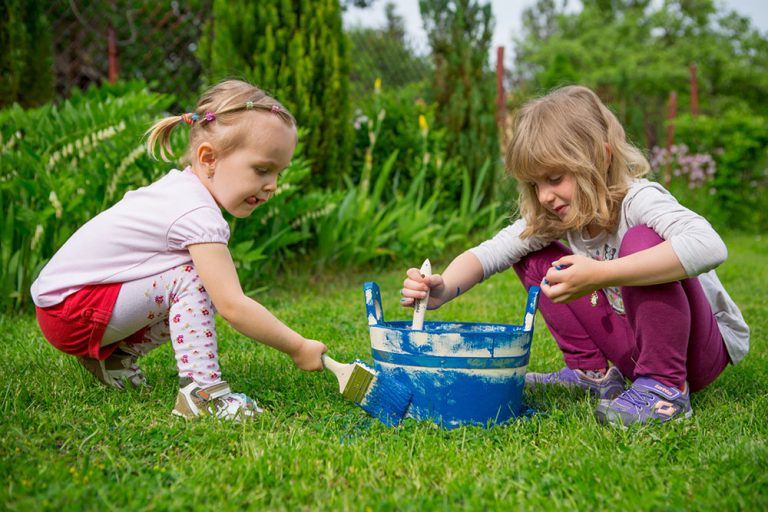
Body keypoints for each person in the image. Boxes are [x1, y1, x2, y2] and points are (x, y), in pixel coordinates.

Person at [400, 85, 749, 427]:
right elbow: (491, 252)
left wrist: (602, 274)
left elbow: (709, 245)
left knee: (643, 241)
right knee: (533, 257)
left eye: (554, 178)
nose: (546, 196)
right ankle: (592, 373)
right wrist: (443, 290)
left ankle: (665, 389)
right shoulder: (561, 216)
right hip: (635, 348)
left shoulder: (639, 201)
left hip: (697, 352)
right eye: (535, 185)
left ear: (602, 157)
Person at [31, 80, 327, 420]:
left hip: (64, 306)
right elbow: (233, 305)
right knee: (198, 279)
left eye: (278, 172)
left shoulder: (182, 191)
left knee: (199, 276)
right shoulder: (196, 213)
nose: (272, 185)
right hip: (71, 311)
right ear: (208, 158)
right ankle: (203, 394)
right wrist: (298, 347)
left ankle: (113, 358)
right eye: (262, 169)